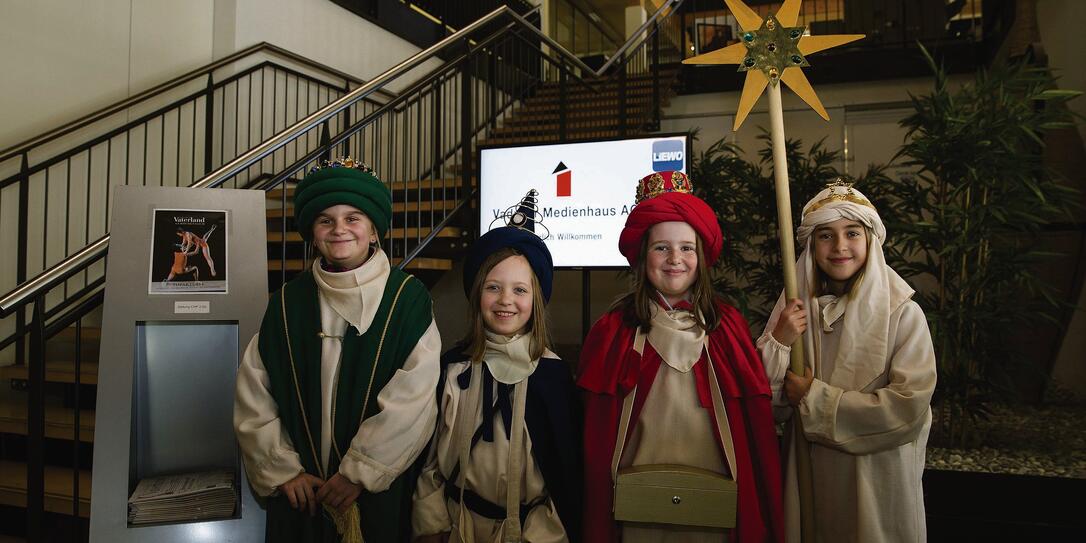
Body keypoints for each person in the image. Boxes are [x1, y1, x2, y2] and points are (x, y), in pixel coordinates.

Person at [234, 157, 442, 542]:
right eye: (325, 220)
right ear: (313, 234)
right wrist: (283, 470)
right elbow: (254, 391)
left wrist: (359, 472)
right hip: (303, 495)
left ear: (375, 231)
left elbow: (414, 398)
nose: (339, 229)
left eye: (353, 218)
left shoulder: (407, 300)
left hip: (373, 495)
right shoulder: (287, 302)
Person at [578, 171, 783, 543]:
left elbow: (753, 426)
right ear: (643, 255)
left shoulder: (727, 326)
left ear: (702, 256)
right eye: (661, 247)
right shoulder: (612, 331)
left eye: (687, 247)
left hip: (713, 503)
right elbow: (596, 439)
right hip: (636, 503)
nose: (675, 259)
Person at [758, 180, 937, 543]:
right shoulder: (794, 312)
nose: (840, 246)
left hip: (875, 480)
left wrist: (813, 398)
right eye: (825, 235)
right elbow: (764, 403)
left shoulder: (903, 315)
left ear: (870, 240)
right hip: (808, 475)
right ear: (811, 246)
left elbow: (907, 406)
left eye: (852, 233)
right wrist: (779, 340)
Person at [412, 191, 581, 543]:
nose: (506, 300)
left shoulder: (553, 377)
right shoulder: (452, 370)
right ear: (477, 295)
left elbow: (565, 470)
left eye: (520, 290)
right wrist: (432, 525)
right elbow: (429, 459)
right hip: (459, 526)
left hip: (531, 531)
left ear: (535, 301)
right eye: (493, 287)